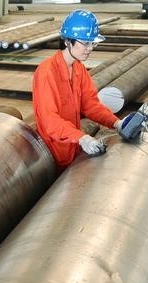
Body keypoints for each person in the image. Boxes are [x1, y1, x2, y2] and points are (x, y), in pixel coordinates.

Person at [32, 10, 125, 170]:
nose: (90, 48)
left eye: (93, 43)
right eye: (85, 43)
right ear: (68, 41)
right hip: (52, 154)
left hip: (72, 147)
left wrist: (116, 123)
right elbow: (50, 121)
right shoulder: (47, 72)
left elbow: (91, 105)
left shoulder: (78, 69)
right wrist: (81, 137)